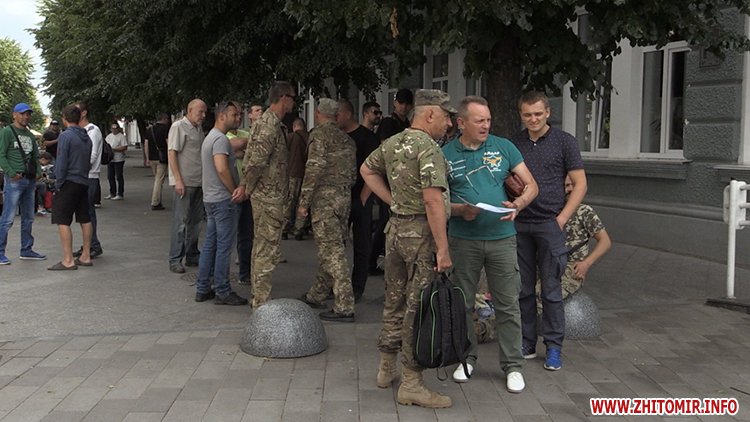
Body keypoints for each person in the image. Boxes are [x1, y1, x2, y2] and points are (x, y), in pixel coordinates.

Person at [361, 89, 454, 408]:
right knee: (418, 306)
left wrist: (393, 202)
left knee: (394, 300)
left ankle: (386, 368)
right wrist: (443, 249)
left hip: (395, 232)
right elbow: (432, 200)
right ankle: (412, 382)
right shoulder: (428, 148)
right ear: (430, 114)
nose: (449, 123)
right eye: (446, 117)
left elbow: (366, 170)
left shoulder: (393, 142)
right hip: (421, 237)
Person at [442, 96, 539, 393]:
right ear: (461, 123)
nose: (486, 125)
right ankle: (466, 359)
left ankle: (513, 366)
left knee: (508, 304)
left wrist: (519, 204)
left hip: (502, 238)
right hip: (463, 240)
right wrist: (460, 210)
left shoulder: (503, 147)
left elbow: (532, 185)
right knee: (463, 303)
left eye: (488, 120)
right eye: (479, 121)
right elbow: (436, 201)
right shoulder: (445, 154)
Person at [511, 91, 587, 371]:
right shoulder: (514, 143)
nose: (533, 119)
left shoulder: (564, 142)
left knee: (552, 289)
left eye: (538, 114)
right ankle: (527, 342)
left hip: (550, 224)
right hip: (520, 223)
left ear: (548, 113)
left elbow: (580, 184)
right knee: (523, 288)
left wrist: (563, 217)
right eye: (527, 115)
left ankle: (554, 347)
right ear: (521, 115)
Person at [298, 99, 357, 321]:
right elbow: (352, 174)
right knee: (331, 247)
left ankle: (344, 305)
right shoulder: (347, 139)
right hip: (343, 198)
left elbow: (313, 169)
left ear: (318, 113)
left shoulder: (319, 135)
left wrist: (304, 202)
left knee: (332, 253)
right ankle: (317, 294)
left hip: (324, 199)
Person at [242, 81, 296, 309]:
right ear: (283, 97)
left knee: (262, 247)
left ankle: (258, 296)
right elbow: (255, 163)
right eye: (293, 97)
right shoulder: (269, 126)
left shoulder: (271, 124)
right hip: (268, 198)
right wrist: (247, 188)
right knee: (267, 250)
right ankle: (261, 303)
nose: (294, 102)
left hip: (269, 195)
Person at [195, 101, 248, 305]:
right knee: (224, 247)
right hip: (223, 200)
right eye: (234, 115)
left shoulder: (210, 137)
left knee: (211, 244)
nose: (238, 118)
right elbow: (221, 168)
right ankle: (223, 290)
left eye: (239, 114)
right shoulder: (220, 139)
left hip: (211, 199)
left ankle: (203, 287)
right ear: (222, 116)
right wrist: (234, 190)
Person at [536, 176, 612, 312]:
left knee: (545, 298)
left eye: (573, 185)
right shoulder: (552, 210)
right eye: (566, 186)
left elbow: (605, 241)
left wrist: (586, 263)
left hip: (571, 267)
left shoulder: (584, 211)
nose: (570, 189)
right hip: (549, 264)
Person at [338, 98, 379, 302]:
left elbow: (374, 169)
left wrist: (363, 197)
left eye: (338, 115)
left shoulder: (367, 138)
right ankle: (335, 285)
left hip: (361, 197)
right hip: (341, 198)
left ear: (347, 114)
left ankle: (357, 287)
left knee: (361, 244)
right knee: (336, 243)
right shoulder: (338, 137)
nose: (335, 119)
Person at [370, 88, 415, 274]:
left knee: (393, 220)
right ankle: (371, 261)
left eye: (407, 104)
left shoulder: (407, 124)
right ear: (395, 103)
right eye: (401, 103)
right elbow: (385, 149)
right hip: (388, 177)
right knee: (385, 221)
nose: (403, 107)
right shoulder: (389, 123)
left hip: (402, 177)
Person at [0, 103, 46, 265]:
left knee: (28, 217)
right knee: (8, 218)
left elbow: (35, 156)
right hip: (14, 180)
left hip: (30, 180)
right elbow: (1, 155)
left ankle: (26, 249)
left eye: (28, 114)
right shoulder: (7, 132)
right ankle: (0, 252)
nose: (26, 117)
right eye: (22, 114)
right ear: (14, 115)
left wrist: (38, 172)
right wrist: (11, 172)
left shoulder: (30, 135)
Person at [48, 104, 93, 271]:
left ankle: (68, 260)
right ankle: (86, 255)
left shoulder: (66, 136)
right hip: (83, 180)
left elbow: (61, 163)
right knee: (85, 218)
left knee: (62, 219)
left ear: (64, 118)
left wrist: (58, 183)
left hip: (69, 181)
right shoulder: (86, 137)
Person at [167, 99, 207, 274]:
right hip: (185, 182)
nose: (203, 115)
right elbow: (172, 153)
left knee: (195, 222)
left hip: (198, 182)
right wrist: (178, 180)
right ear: (190, 110)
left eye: (204, 112)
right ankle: (175, 258)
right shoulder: (178, 126)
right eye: (200, 112)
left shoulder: (198, 128)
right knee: (180, 222)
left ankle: (192, 254)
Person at [73, 102, 104, 259]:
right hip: (83, 176)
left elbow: (91, 156)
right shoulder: (80, 131)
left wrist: (75, 168)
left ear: (84, 113)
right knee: (84, 213)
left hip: (89, 176)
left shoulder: (92, 130)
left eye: (76, 111)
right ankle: (89, 244)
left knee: (88, 213)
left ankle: (93, 245)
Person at [284, 117, 308, 240]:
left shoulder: (291, 137)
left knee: (290, 201)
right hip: (307, 175)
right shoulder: (310, 137)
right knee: (302, 202)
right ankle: (299, 229)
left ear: (294, 126)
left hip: (293, 173)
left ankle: (285, 228)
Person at [148, 113, 170, 210]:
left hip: (152, 157)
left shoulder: (150, 129)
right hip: (162, 158)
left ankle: (158, 200)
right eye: (167, 119)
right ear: (164, 119)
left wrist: (147, 158)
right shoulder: (165, 129)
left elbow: (146, 144)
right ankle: (155, 202)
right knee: (159, 180)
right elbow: (168, 143)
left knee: (156, 179)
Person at [105, 123, 128, 200]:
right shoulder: (109, 137)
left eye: (115, 128)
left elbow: (124, 147)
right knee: (110, 176)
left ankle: (120, 193)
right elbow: (106, 146)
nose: (114, 130)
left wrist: (114, 149)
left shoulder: (121, 137)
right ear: (111, 129)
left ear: (118, 129)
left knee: (119, 176)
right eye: (113, 128)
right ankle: (112, 192)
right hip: (110, 160)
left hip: (119, 159)